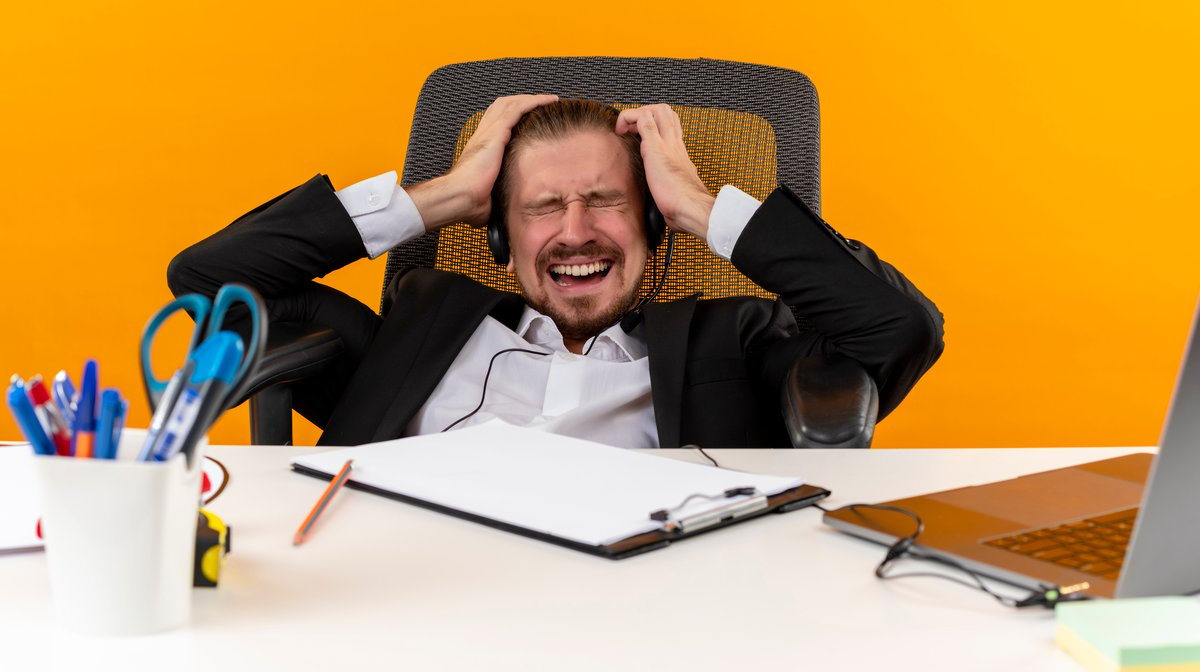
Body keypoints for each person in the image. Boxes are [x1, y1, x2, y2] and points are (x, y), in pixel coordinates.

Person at [168, 95, 943, 448]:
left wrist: (702, 207)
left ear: (650, 225)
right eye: (542, 207)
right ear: (499, 235)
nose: (576, 233)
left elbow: (900, 327)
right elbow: (205, 279)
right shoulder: (420, 321)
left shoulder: (729, 340)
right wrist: (442, 196)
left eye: (607, 201)